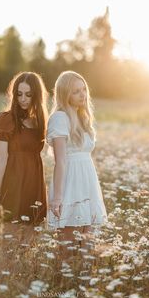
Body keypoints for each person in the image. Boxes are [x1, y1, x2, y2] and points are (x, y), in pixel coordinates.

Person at [46, 70, 108, 257]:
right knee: (68, 245)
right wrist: (57, 198)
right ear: (65, 94)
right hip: (69, 182)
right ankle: (64, 283)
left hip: (87, 181)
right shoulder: (59, 118)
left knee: (87, 245)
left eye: (83, 90)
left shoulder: (83, 118)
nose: (83, 94)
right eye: (76, 91)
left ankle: (83, 281)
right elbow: (61, 161)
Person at [0, 71, 48, 254]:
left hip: (34, 184)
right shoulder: (5, 120)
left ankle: (23, 281)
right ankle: (4, 280)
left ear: (36, 95)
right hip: (13, 184)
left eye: (28, 94)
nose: (23, 99)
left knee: (29, 246)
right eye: (19, 94)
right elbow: (1, 158)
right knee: (9, 245)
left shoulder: (40, 122)